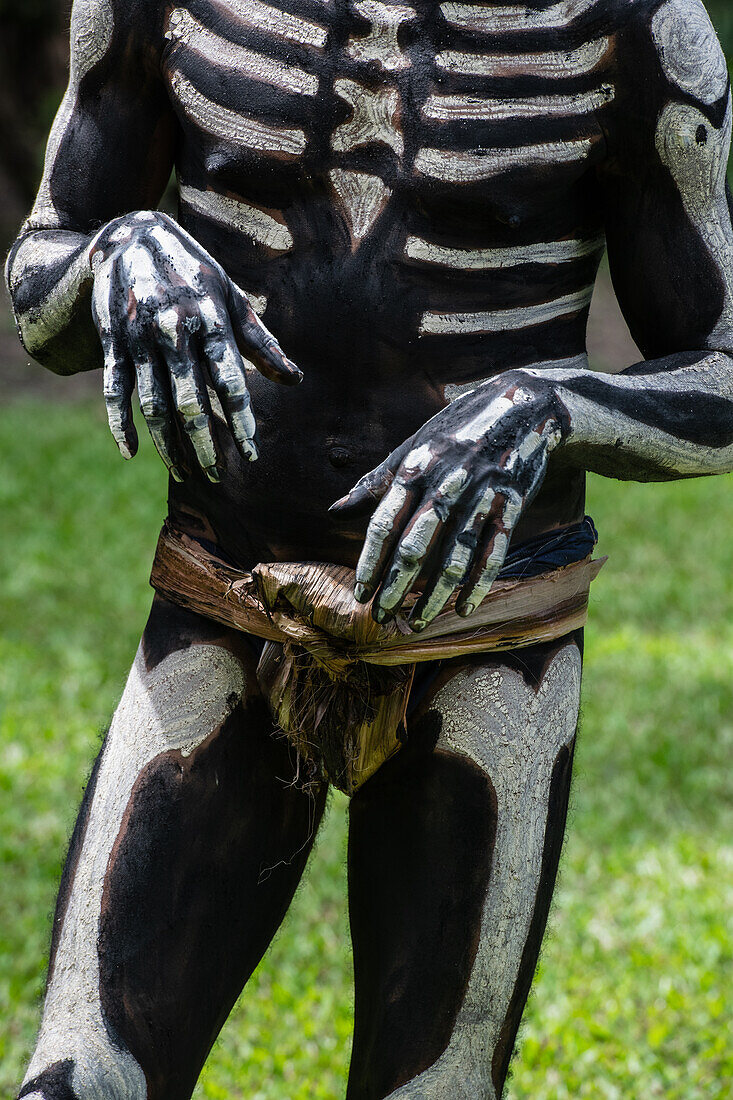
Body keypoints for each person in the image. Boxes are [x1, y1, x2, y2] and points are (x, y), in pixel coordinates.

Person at [7, 0, 733, 1096]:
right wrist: (118, 253)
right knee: (77, 1083)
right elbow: (40, 283)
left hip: (492, 639)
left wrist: (550, 405)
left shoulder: (629, 28)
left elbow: (720, 372)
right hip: (225, 604)